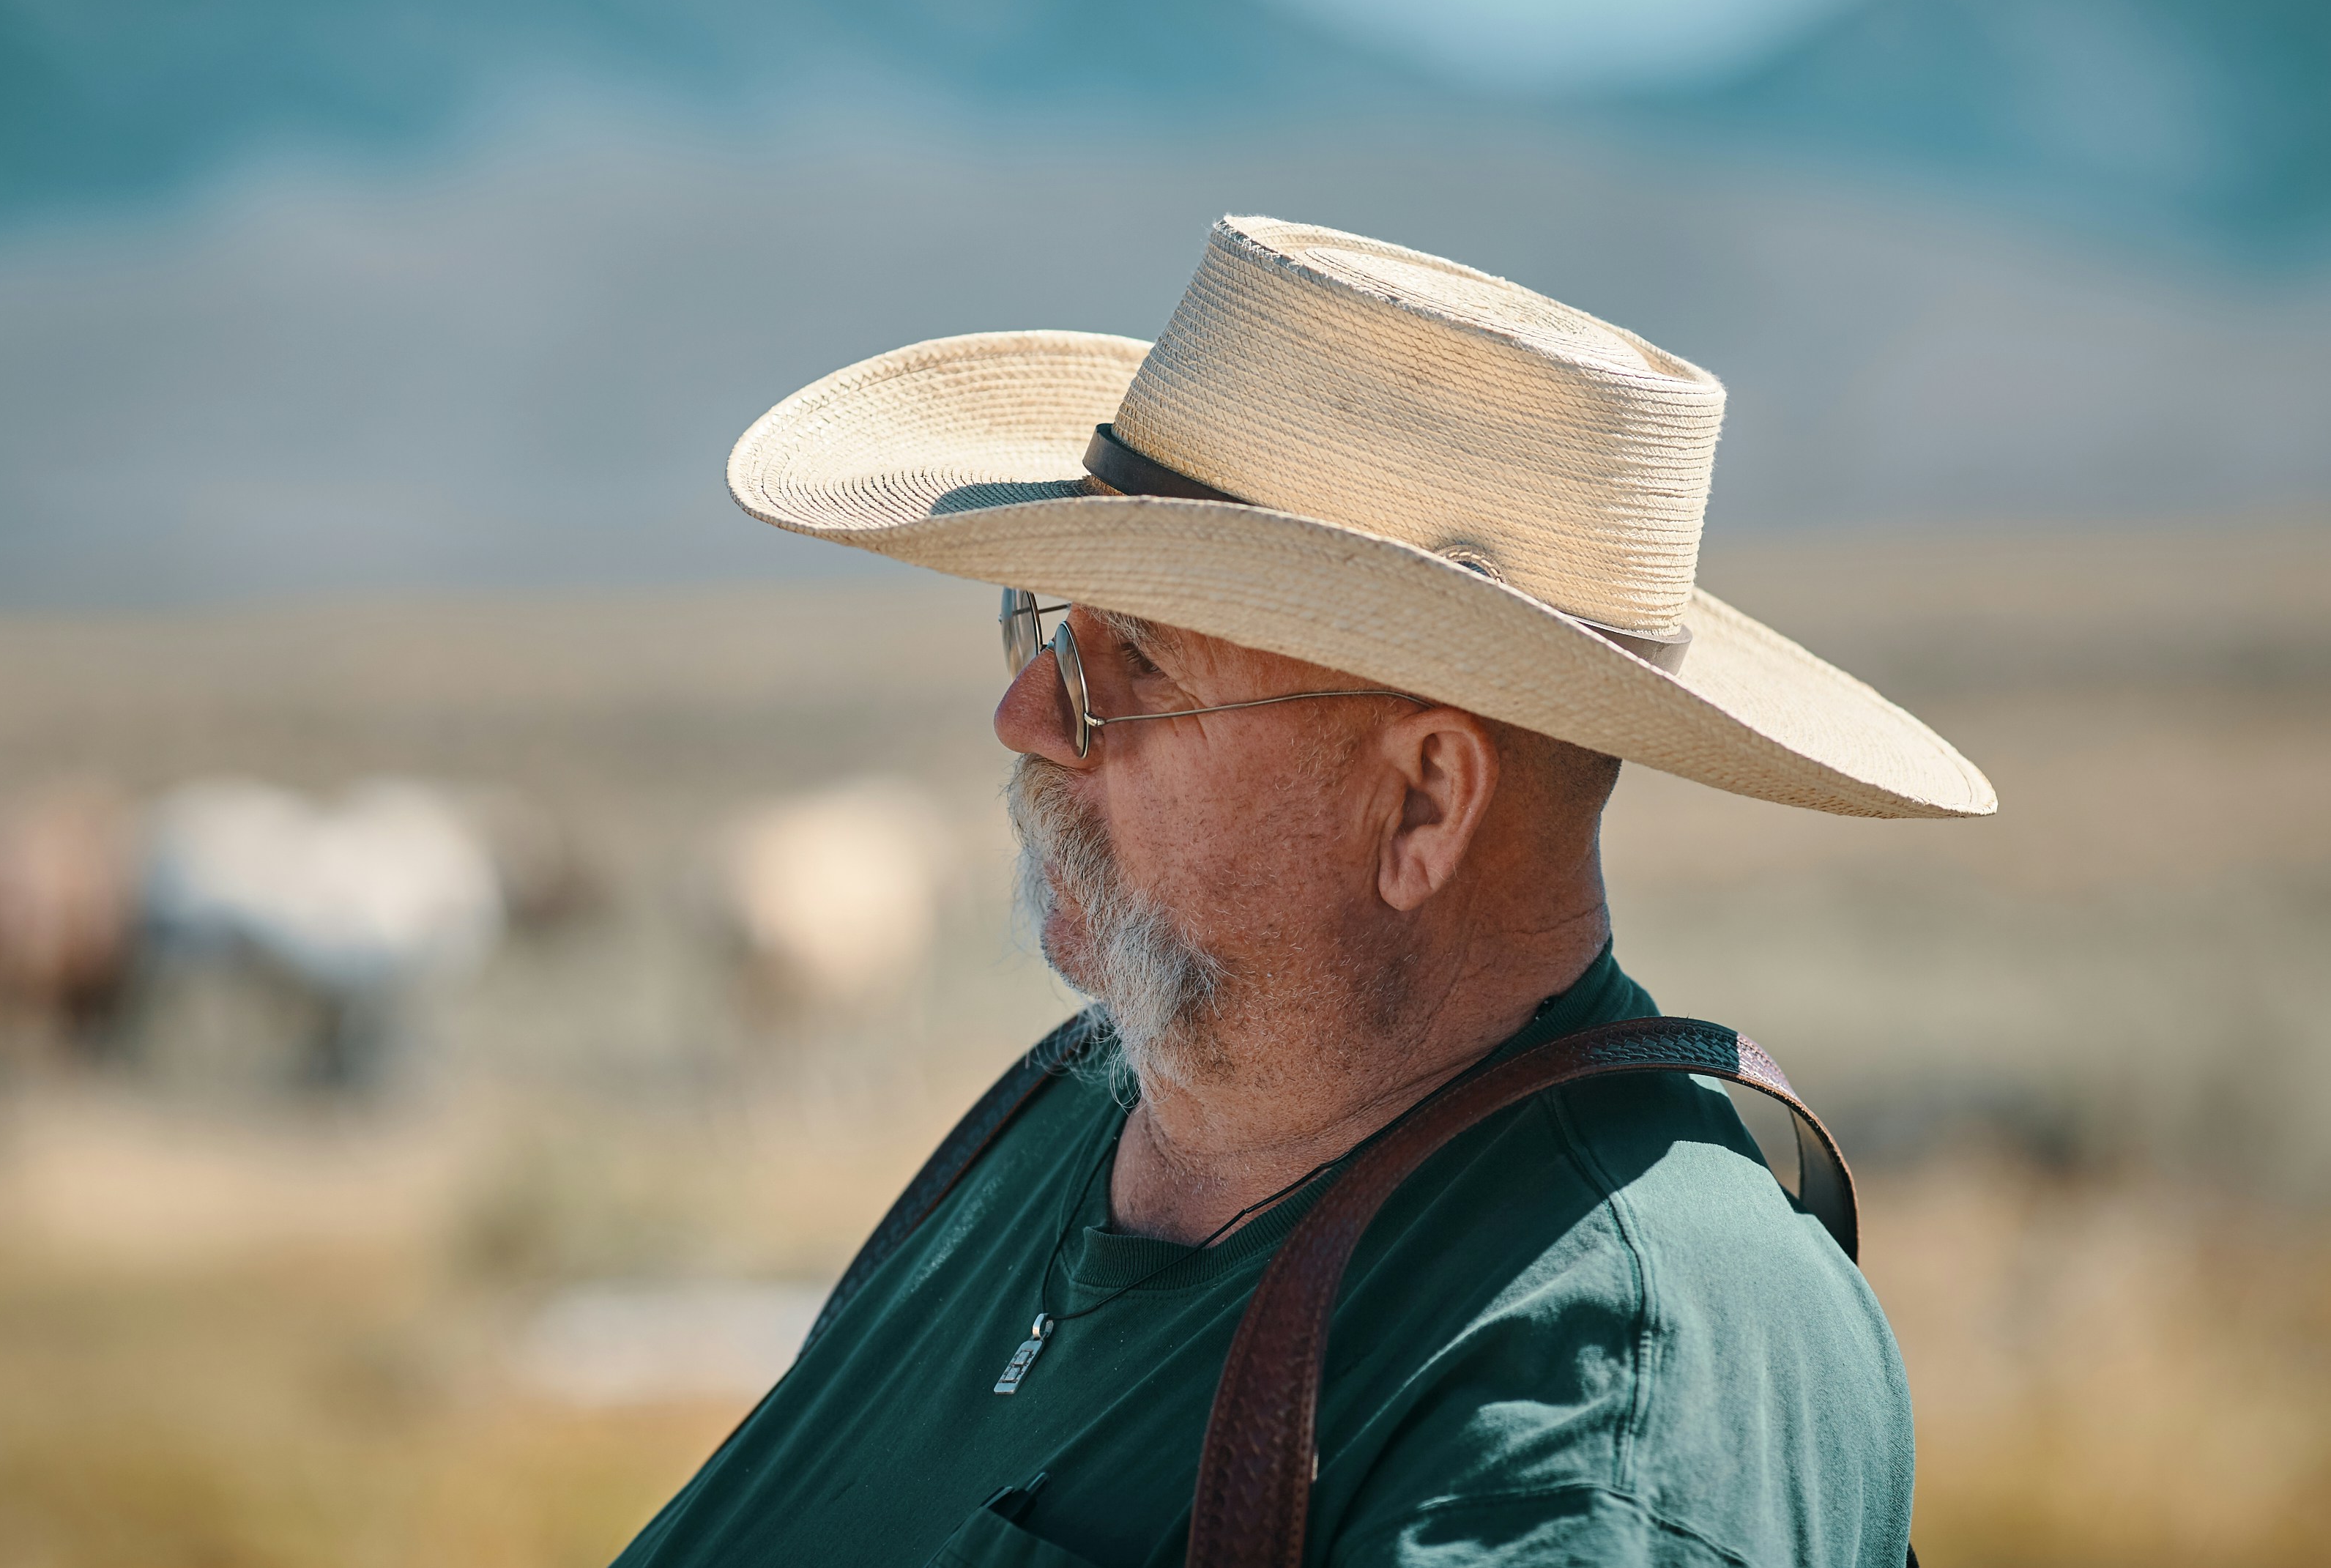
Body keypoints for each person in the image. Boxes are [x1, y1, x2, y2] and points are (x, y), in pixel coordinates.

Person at [614, 216, 1993, 1567]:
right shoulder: (1080, 1114)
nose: (1025, 714)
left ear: (1423, 804)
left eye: (1137, 659)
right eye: (1047, 625)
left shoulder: (1600, 1389)